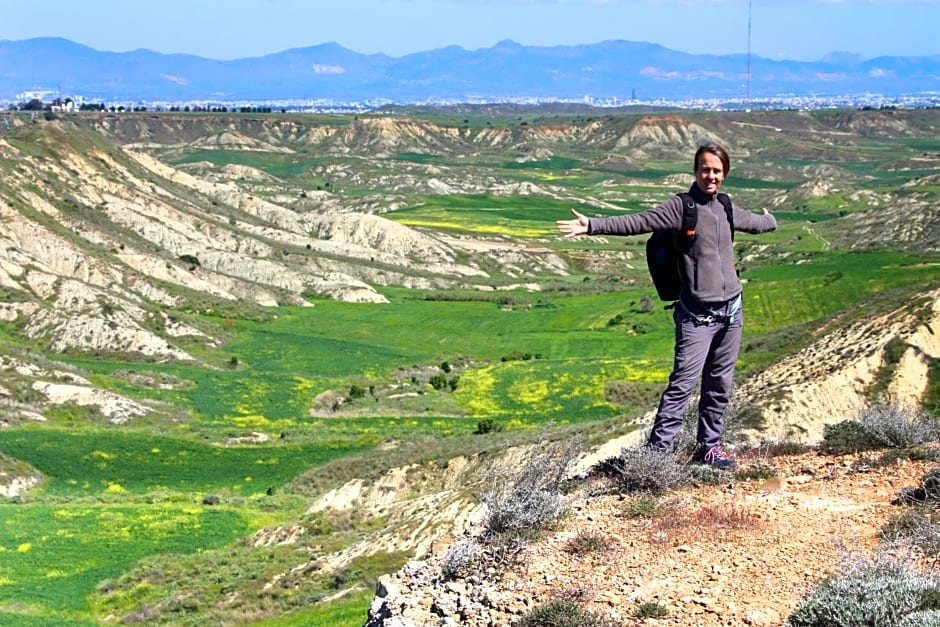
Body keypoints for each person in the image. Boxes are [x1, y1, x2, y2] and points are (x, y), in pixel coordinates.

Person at [556, 143, 776, 469]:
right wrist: (592, 225)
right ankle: (657, 458)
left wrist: (772, 219)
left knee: (719, 385)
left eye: (716, 170)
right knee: (682, 386)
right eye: (705, 169)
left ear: (724, 174)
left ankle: (709, 448)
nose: (710, 175)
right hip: (697, 317)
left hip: (732, 312)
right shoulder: (681, 207)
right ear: (695, 171)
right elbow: (639, 221)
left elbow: (756, 223)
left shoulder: (726, 207)